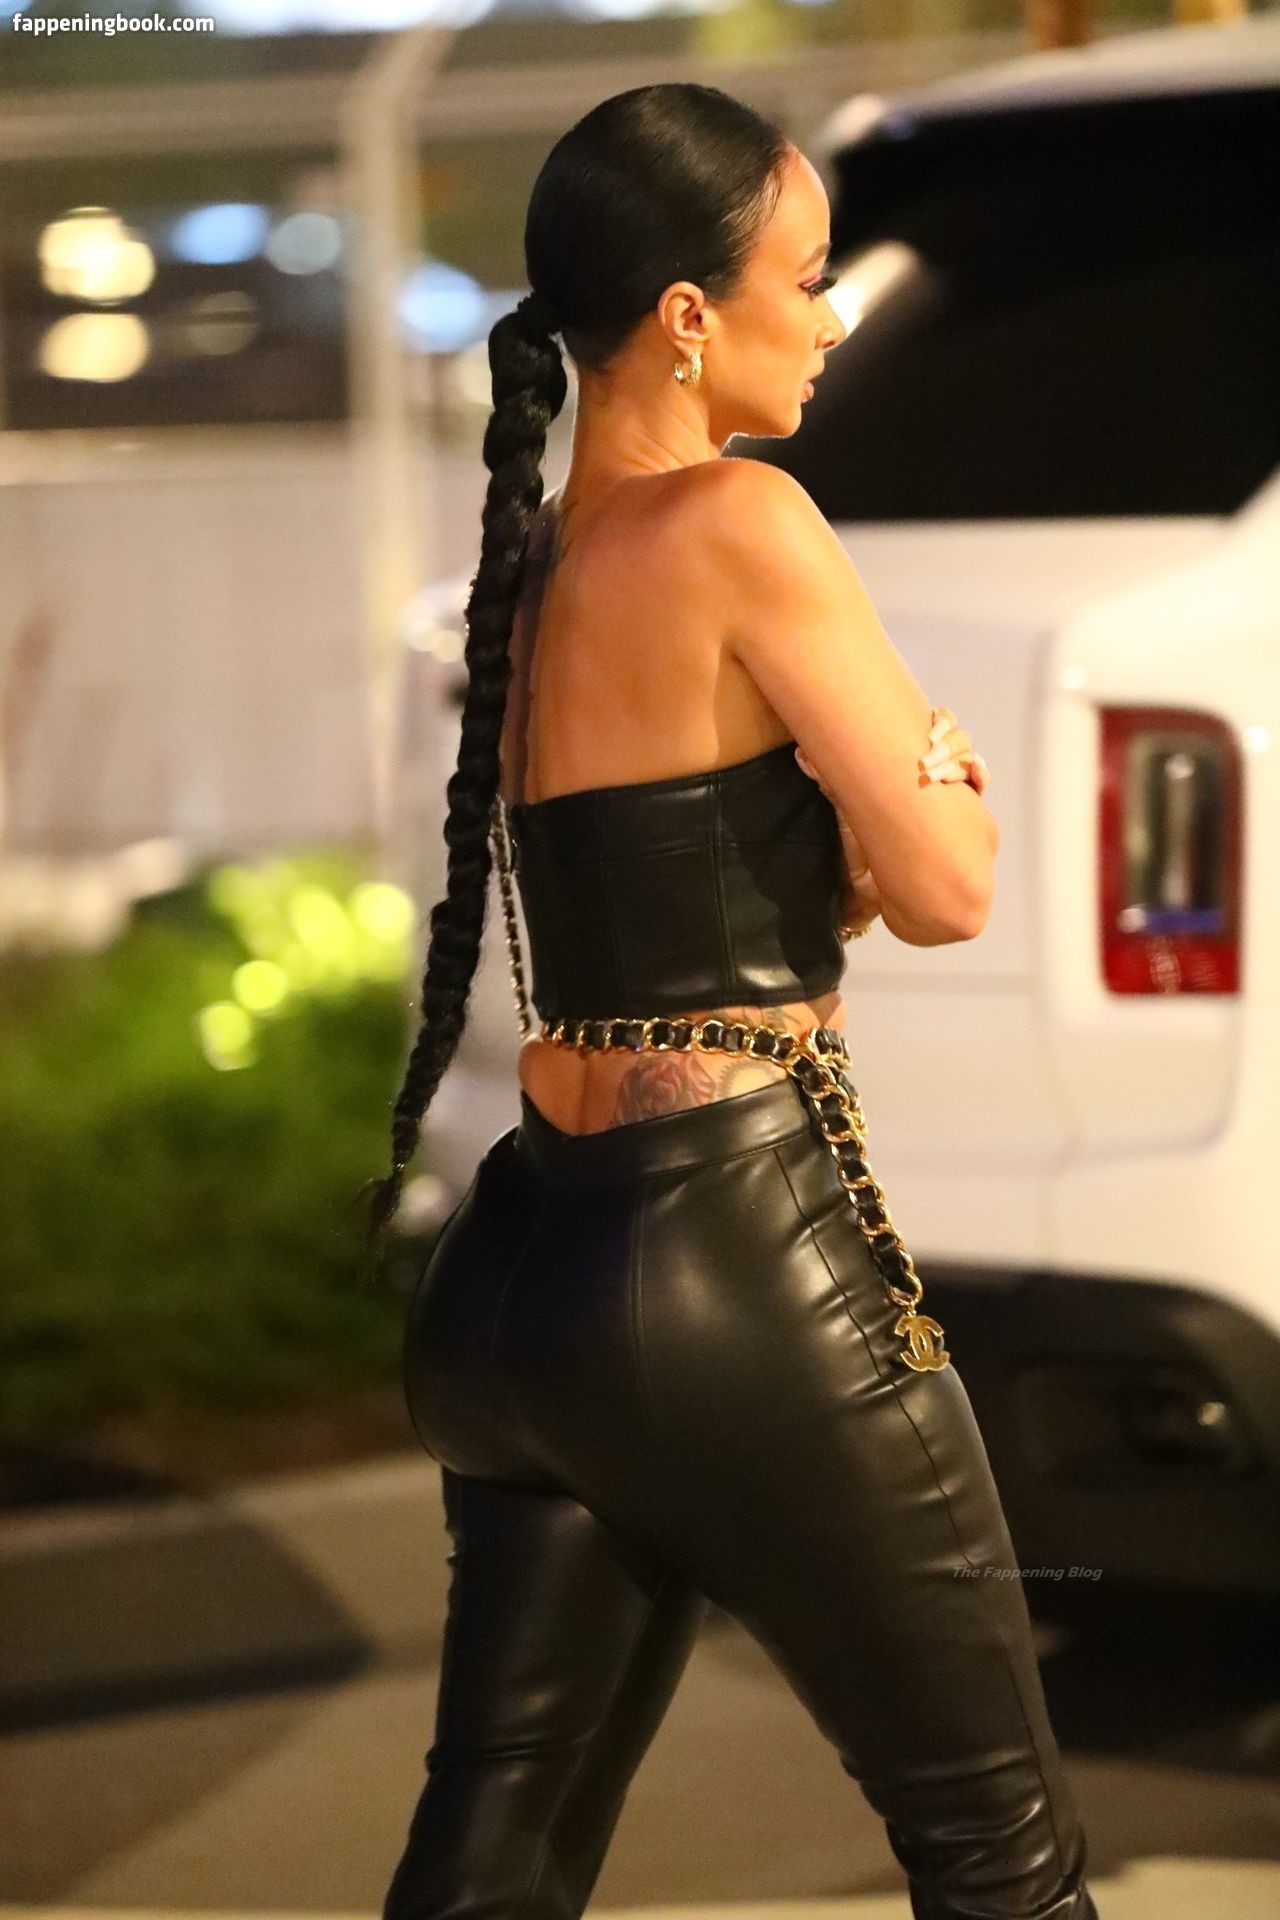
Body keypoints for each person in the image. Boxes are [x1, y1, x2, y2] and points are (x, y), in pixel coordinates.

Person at [361, 82, 1098, 1920]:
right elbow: (946, 890)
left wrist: (852, 839)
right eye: (811, 274)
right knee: (1005, 1866)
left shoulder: (533, 563)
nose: (834, 316)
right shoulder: (740, 521)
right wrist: (932, 779)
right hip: (735, 1265)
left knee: (488, 1871)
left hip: (513, 1284)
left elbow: (674, 893)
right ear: (690, 314)